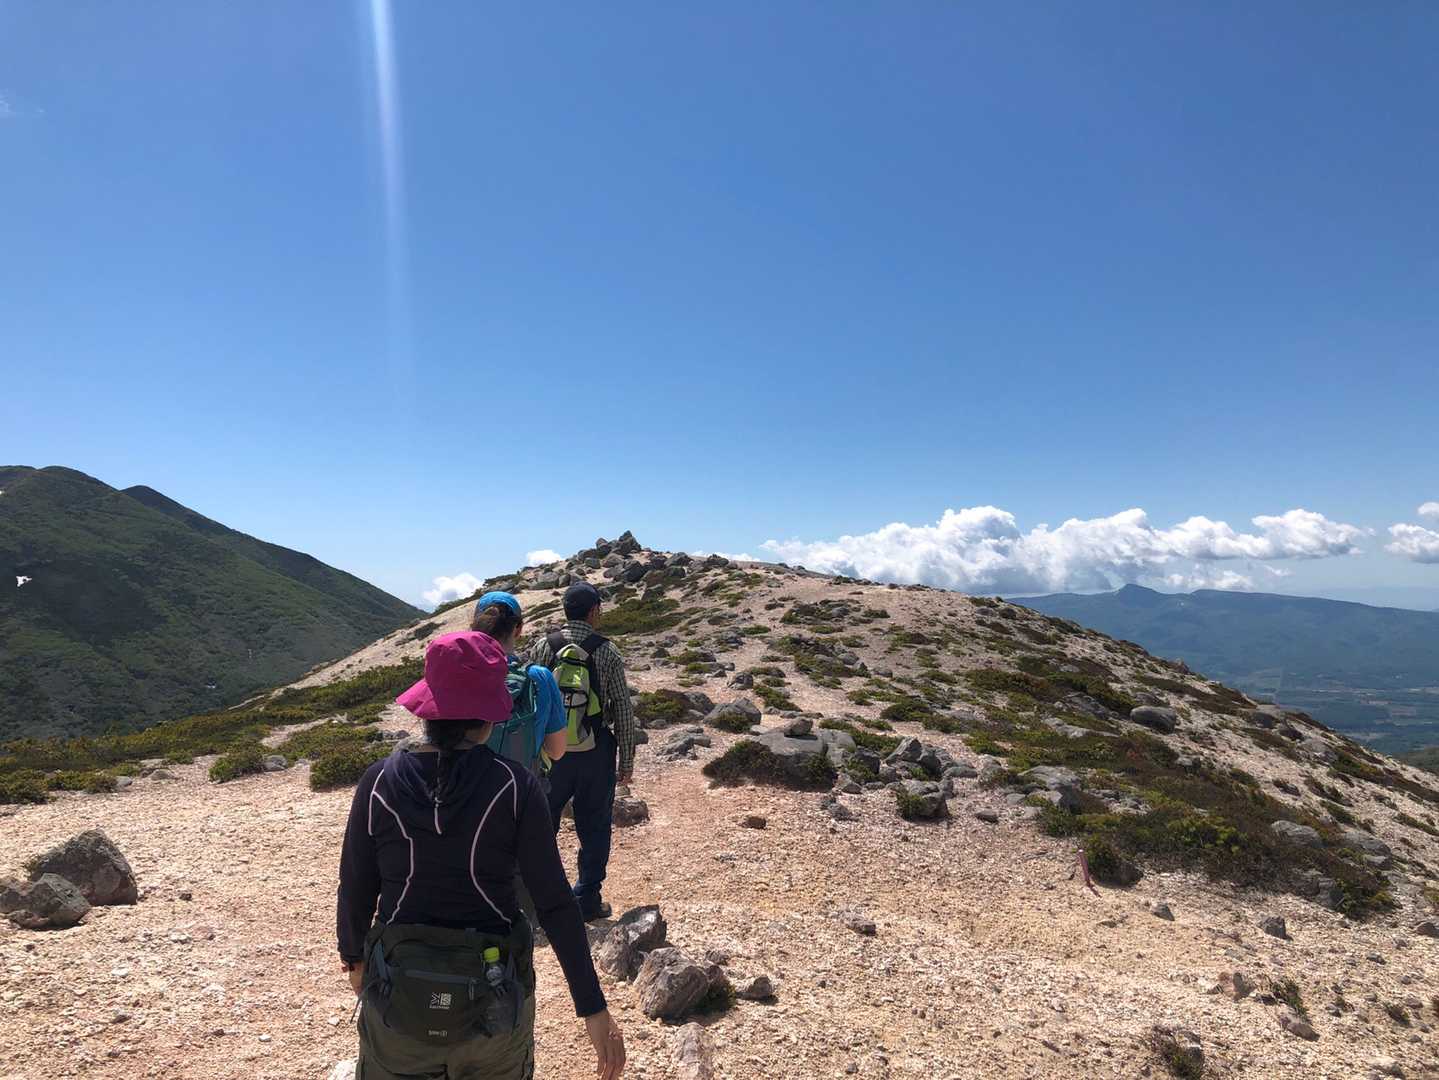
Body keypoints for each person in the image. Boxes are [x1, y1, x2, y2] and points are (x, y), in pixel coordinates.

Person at [337, 629, 625, 1080]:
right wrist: (592, 1006)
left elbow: (356, 884)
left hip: (397, 998)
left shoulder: (378, 781)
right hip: (494, 1004)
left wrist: (353, 958)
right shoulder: (515, 786)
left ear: (428, 708)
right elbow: (554, 903)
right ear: (490, 716)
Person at [526, 581, 636, 921]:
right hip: (595, 751)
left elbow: (528, 700)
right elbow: (622, 708)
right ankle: (587, 899)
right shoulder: (608, 651)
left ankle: (538, 899)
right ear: (593, 612)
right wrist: (627, 760)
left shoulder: (544, 647)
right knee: (594, 826)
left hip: (550, 751)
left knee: (541, 825)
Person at [470, 591, 568, 776]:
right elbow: (557, 751)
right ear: (518, 629)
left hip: (466, 786)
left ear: (475, 627)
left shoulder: (459, 674)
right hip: (522, 786)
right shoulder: (540, 677)